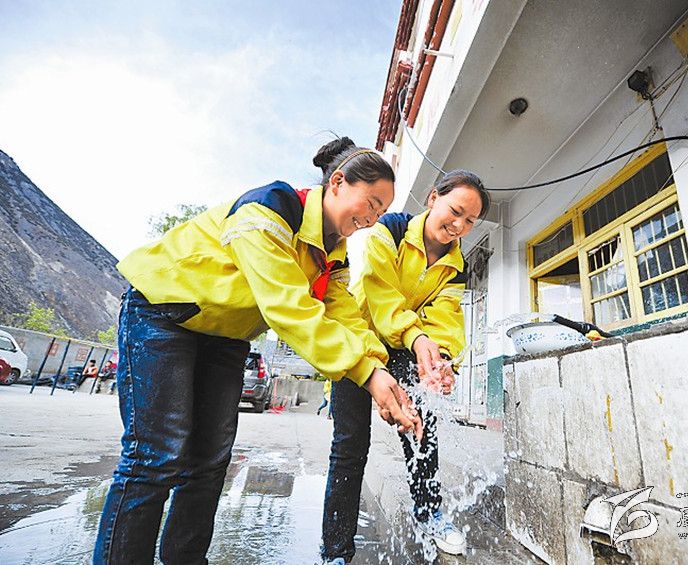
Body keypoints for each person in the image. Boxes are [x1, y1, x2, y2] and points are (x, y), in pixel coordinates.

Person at [93, 137, 423, 565]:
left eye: (381, 212)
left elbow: (346, 316)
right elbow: (288, 308)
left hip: (226, 337)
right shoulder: (270, 208)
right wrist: (366, 373)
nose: (373, 219)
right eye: (372, 203)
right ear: (338, 182)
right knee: (155, 457)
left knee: (210, 461)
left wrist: (380, 370)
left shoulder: (332, 253)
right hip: (164, 313)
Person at [322, 170, 490, 562]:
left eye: (470, 221)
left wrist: (439, 360)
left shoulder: (456, 263)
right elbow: (381, 297)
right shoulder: (389, 231)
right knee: (350, 444)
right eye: (455, 211)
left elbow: (445, 317)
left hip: (404, 344)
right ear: (433, 198)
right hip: (359, 338)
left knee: (422, 428)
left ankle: (429, 513)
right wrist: (418, 339)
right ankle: (335, 550)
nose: (459, 225)